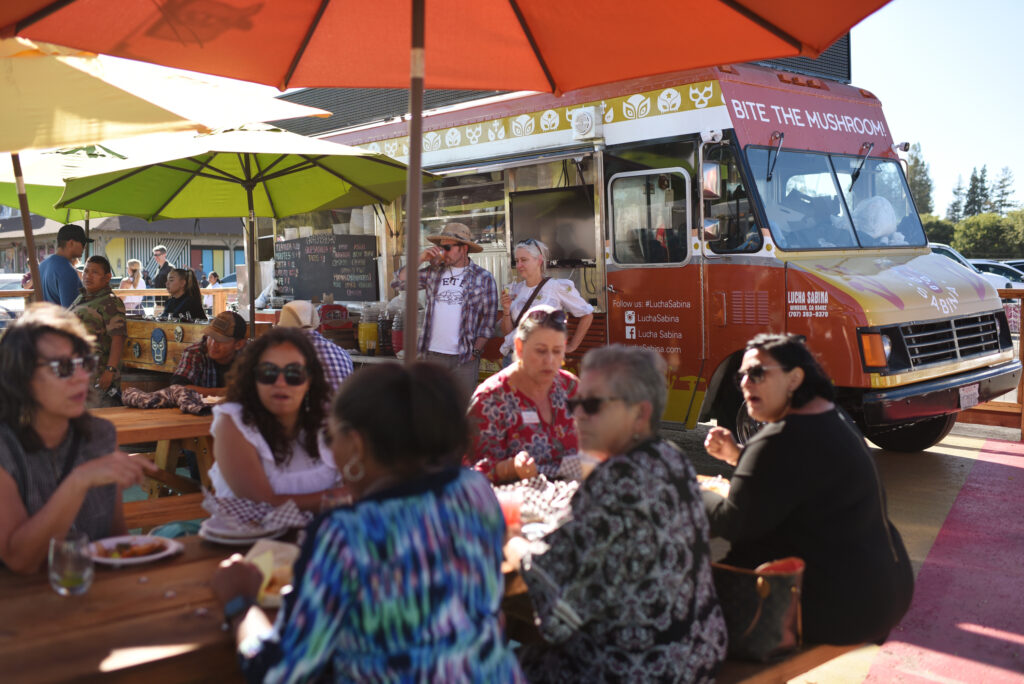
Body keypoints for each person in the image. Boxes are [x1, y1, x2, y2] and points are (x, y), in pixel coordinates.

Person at [210, 362, 524, 682]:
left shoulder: (345, 534)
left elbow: (280, 673)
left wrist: (240, 604)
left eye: (331, 437)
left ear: (357, 445)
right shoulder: (475, 491)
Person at [506, 345, 727, 681]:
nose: (576, 415)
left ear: (639, 414)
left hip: (641, 668)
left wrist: (512, 542)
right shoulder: (672, 457)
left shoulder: (616, 479)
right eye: (577, 403)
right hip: (698, 652)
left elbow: (553, 584)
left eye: (592, 405)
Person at [703, 333, 914, 645]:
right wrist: (737, 456)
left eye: (758, 373)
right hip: (886, 593)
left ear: (795, 378)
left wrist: (693, 493)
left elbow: (732, 523)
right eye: (741, 375)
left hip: (837, 610)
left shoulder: (779, 439)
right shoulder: (832, 416)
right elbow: (792, 477)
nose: (746, 383)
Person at [0, 304, 155, 574]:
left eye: (84, 363)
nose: (82, 377)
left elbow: (114, 537)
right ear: (21, 378)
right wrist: (80, 480)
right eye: (62, 368)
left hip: (94, 598)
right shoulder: (5, 449)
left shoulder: (101, 435)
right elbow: (20, 560)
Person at [208, 328, 342, 511]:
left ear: (309, 380)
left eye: (294, 373)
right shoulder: (233, 422)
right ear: (252, 378)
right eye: (268, 373)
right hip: (254, 538)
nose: (281, 382)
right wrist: (342, 496)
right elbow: (263, 503)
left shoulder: (326, 424)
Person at [467, 304, 578, 483]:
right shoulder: (490, 399)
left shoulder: (571, 388)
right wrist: (510, 469)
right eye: (540, 351)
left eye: (557, 351)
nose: (549, 360)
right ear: (519, 347)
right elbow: (471, 475)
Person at [390, 222, 498, 394]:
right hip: (432, 355)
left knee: (461, 409)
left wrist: (475, 351)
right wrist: (420, 258)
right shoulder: (434, 272)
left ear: (463, 249)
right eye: (440, 247)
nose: (441, 251)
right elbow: (397, 282)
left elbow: (488, 320)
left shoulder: (483, 278)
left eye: (447, 247)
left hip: (465, 357)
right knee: (432, 408)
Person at [499, 239, 593, 361]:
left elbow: (587, 314)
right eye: (517, 261)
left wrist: (571, 347)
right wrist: (506, 310)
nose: (519, 265)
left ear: (539, 260)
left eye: (524, 260)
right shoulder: (515, 289)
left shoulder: (557, 287)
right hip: (513, 359)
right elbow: (508, 334)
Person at [70, 256, 127, 408]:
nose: (88, 276)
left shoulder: (110, 302)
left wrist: (110, 370)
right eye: (86, 271)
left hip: (99, 377)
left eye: (94, 272)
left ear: (107, 277)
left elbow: (118, 338)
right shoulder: (82, 297)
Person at [277, 300, 353, 395]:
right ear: (319, 327)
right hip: (339, 409)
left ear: (282, 330)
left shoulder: (286, 355)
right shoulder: (343, 353)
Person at [170, 310, 247, 397]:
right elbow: (177, 388)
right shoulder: (195, 353)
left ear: (239, 344)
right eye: (210, 337)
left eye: (220, 340)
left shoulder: (250, 356)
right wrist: (225, 392)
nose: (213, 344)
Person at [38, 224, 92, 307]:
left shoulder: (42, 266)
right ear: (71, 243)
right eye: (83, 243)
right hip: (61, 319)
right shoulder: (67, 271)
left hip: (45, 318)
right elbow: (72, 311)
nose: (84, 248)